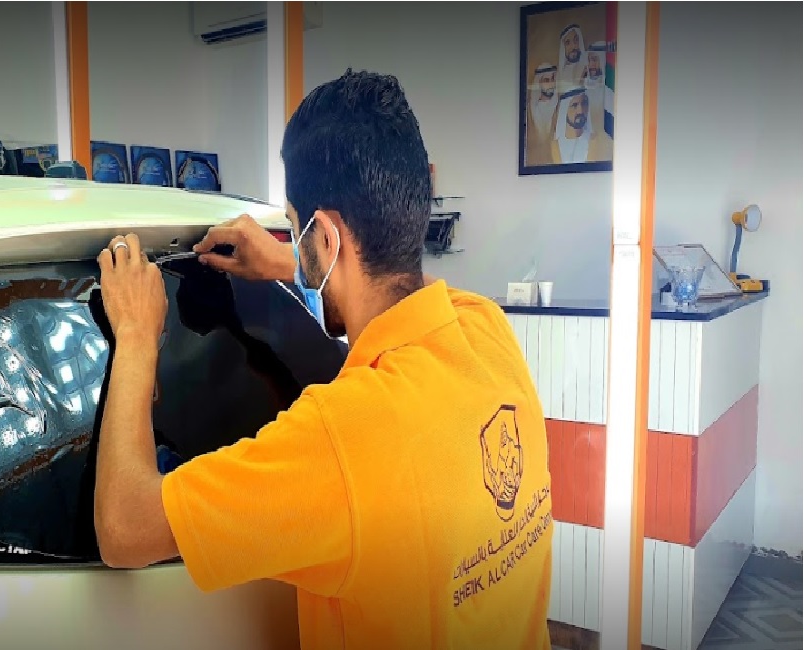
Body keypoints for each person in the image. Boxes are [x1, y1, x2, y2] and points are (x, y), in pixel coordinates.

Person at [93, 69, 554, 650]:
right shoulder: (485, 327)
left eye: (294, 228)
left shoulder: (343, 438)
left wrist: (136, 337)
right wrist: (294, 264)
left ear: (329, 239)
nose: (293, 243)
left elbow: (124, 529)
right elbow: (388, 289)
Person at [551, 86, 612, 164]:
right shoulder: (555, 146)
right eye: (574, 105)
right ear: (564, 109)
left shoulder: (596, 141)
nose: (580, 111)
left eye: (584, 104)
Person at [527, 63, 559, 164]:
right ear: (539, 83)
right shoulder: (529, 110)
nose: (551, 84)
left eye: (552, 79)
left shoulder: (559, 107)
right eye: (546, 80)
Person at [583, 41, 608, 135]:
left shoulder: (611, 90)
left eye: (594, 60)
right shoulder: (585, 86)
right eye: (589, 61)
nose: (590, 65)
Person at [557, 23, 587, 95]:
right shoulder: (559, 74)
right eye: (568, 43)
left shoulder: (587, 67)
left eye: (576, 40)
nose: (573, 46)